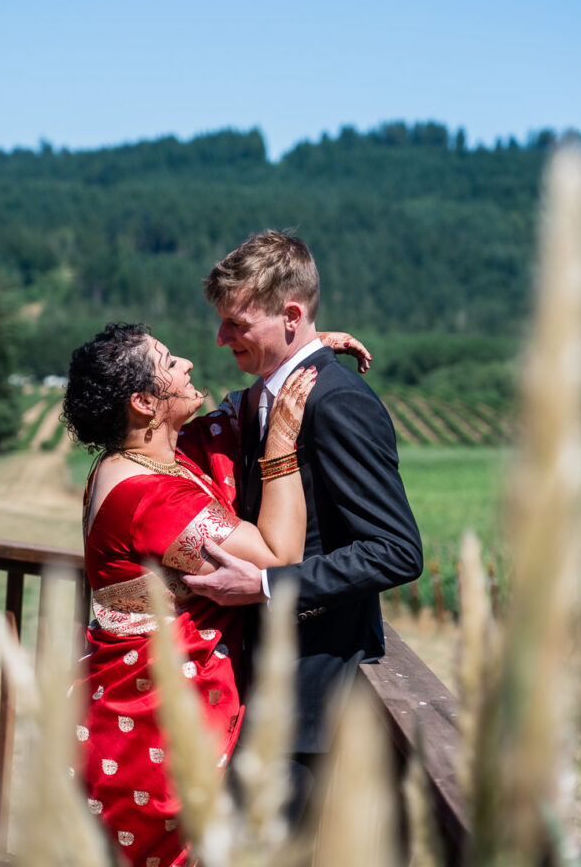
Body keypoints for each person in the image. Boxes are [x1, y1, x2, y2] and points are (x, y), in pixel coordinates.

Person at [183, 230, 423, 816]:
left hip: (307, 690)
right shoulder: (272, 393)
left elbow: (396, 550)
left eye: (236, 324)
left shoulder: (338, 402)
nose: (221, 338)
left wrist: (266, 585)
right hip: (258, 683)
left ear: (291, 316)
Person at [62, 322, 317, 867]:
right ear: (143, 402)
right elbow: (278, 555)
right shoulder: (150, 496)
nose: (188, 364)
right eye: (170, 361)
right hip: (154, 721)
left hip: (133, 706)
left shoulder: (141, 459)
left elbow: (234, 412)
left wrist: (303, 348)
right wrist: (281, 446)